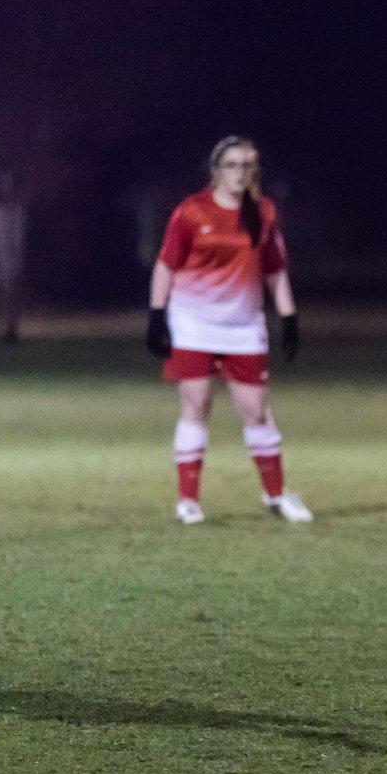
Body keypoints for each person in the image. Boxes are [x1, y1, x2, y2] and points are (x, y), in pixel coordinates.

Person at [146, 136, 312, 525]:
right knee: (196, 405)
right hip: (193, 324)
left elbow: (275, 270)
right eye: (233, 165)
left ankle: (276, 495)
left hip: (244, 327)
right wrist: (156, 315)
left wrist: (289, 319)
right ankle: (188, 500)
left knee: (256, 411)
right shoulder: (190, 212)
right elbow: (166, 266)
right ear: (216, 170)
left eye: (249, 166)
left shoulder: (264, 213)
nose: (242, 173)